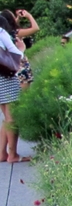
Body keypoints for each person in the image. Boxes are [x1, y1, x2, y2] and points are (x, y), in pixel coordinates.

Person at [0, 14, 25, 163]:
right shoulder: (1, 32)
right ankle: (13, 155)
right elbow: (15, 54)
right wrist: (22, 48)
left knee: (6, 118)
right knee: (12, 118)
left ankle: (2, 153)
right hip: (6, 78)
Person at [2, 9, 39, 90]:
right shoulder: (16, 33)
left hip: (13, 65)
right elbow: (35, 28)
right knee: (25, 92)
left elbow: (13, 24)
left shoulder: (5, 34)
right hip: (20, 64)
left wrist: (18, 17)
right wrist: (29, 16)